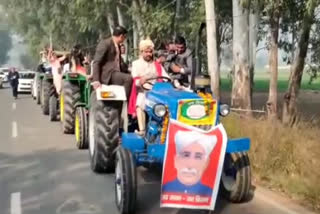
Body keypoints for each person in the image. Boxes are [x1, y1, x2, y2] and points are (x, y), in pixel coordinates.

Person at [129, 38, 170, 136]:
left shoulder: (157, 65)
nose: (149, 54)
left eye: (150, 52)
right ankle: (142, 130)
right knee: (140, 103)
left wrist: (174, 83)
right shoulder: (136, 64)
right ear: (142, 52)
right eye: (146, 52)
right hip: (143, 91)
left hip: (158, 91)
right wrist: (141, 81)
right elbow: (135, 80)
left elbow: (166, 77)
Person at [162, 130, 217, 196]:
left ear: (206, 163)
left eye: (198, 157)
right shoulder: (166, 189)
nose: (190, 165)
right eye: (186, 155)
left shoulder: (210, 193)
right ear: (176, 160)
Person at [92, 26, 132, 98]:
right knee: (128, 79)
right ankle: (124, 101)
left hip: (116, 73)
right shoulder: (105, 44)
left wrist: (130, 70)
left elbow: (119, 62)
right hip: (108, 75)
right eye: (124, 37)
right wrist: (96, 80)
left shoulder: (118, 46)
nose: (124, 39)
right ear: (121, 36)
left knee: (132, 76)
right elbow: (96, 62)